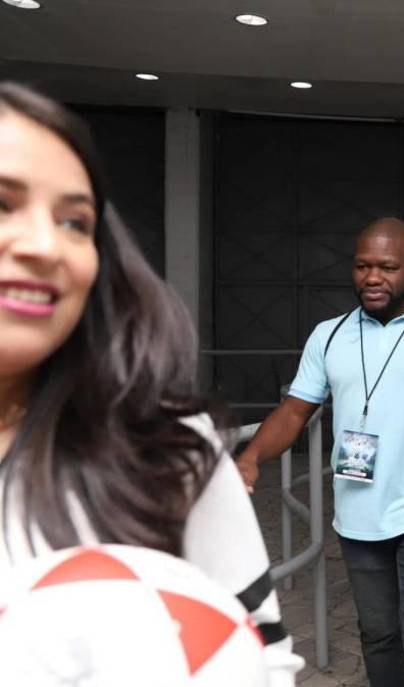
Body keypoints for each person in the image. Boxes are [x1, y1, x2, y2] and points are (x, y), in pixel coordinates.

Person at [0, 82, 302, 683]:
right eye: (3, 204)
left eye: (74, 221)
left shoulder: (163, 445)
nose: (44, 246)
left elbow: (263, 654)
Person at [236, 218, 404, 687]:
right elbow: (293, 413)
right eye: (362, 266)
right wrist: (251, 456)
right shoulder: (328, 336)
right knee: (377, 635)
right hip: (357, 511)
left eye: (387, 267)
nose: (373, 277)